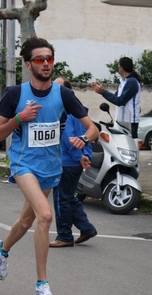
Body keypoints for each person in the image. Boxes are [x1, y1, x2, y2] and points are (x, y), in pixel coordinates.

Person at [0, 37, 99, 295]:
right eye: (40, 59)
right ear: (28, 64)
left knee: (27, 221)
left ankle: (2, 249)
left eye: (50, 59)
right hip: (23, 164)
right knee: (46, 215)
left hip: (51, 169)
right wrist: (19, 118)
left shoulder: (63, 94)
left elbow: (93, 128)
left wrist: (83, 140)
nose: (46, 64)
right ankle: (42, 285)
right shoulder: (15, 95)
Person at [49, 77, 97, 248]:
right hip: (73, 161)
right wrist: (84, 156)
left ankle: (64, 235)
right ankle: (86, 228)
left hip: (68, 161)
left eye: (57, 88)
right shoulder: (77, 111)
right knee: (68, 197)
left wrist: (79, 157)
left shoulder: (65, 111)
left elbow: (70, 139)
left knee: (61, 199)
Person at [91, 57, 141, 138]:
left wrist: (103, 92)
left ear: (121, 68)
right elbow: (115, 97)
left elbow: (120, 101)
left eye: (119, 67)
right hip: (122, 121)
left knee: (129, 147)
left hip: (129, 122)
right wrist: (102, 91)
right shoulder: (124, 82)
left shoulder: (132, 82)